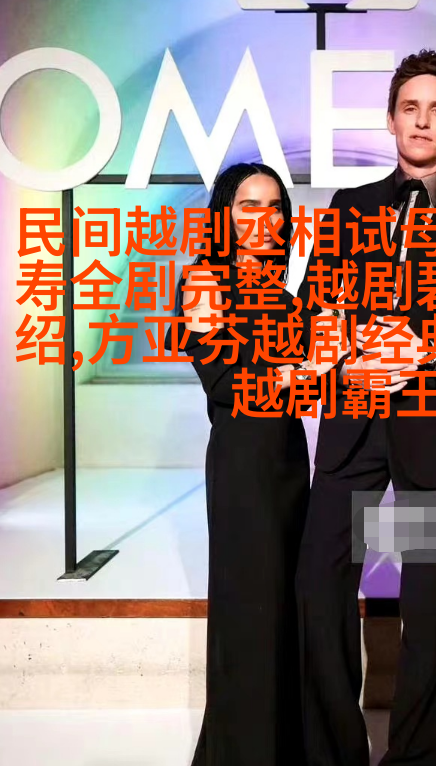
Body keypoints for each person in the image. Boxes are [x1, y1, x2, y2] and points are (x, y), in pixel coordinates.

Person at [295, 50, 436, 766]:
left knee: (430, 604)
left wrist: (425, 354)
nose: (422, 121)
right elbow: (312, 307)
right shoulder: (349, 206)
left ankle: (416, 760)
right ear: (390, 119)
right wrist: (348, 353)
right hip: (352, 426)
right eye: (410, 108)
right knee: (319, 579)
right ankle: (335, 751)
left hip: (431, 428)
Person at [170, 163, 343, 766]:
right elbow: (225, 381)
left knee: (283, 608)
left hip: (290, 462)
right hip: (243, 465)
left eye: (275, 207)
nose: (264, 219)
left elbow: (315, 381)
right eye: (249, 205)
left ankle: (282, 747)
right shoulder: (203, 281)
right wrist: (300, 372)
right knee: (250, 609)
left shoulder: (287, 298)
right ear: (224, 214)